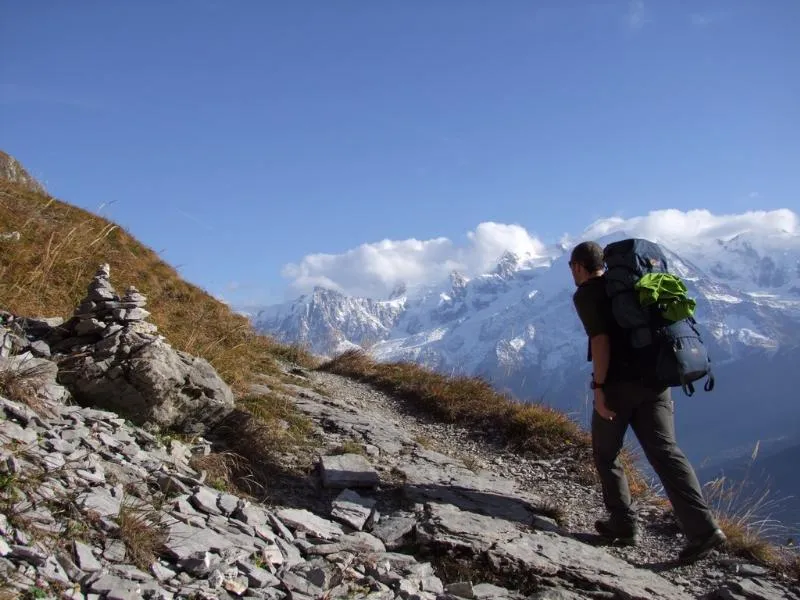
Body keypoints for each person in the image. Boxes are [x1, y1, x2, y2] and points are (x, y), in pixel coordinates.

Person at [569, 240, 727, 564]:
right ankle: (704, 530)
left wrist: (599, 388)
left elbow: (600, 341)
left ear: (578, 267)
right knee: (666, 452)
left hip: (619, 386)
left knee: (605, 453)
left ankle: (623, 524)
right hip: (656, 381)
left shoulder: (588, 294)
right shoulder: (636, 287)